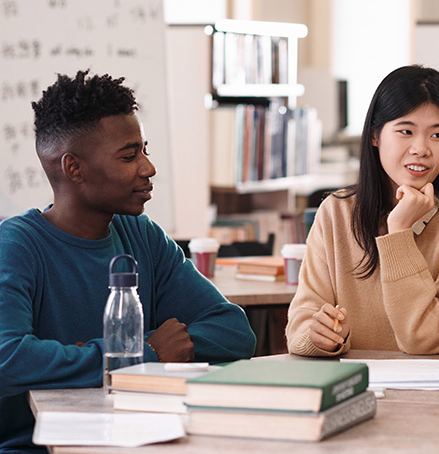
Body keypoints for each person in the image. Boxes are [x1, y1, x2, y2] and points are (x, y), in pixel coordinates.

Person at [0, 70, 256, 452]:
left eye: (144, 150)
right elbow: (9, 360)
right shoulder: (17, 245)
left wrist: (87, 356)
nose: (148, 168)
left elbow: (233, 332)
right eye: (129, 155)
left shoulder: (142, 236)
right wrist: (141, 355)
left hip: (145, 438)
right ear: (74, 168)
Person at [285, 65, 439, 357]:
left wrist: (399, 233)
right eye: (406, 131)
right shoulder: (336, 213)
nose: (421, 148)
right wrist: (319, 336)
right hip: (356, 387)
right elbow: (301, 326)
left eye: (437, 135)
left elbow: (426, 339)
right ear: (375, 136)